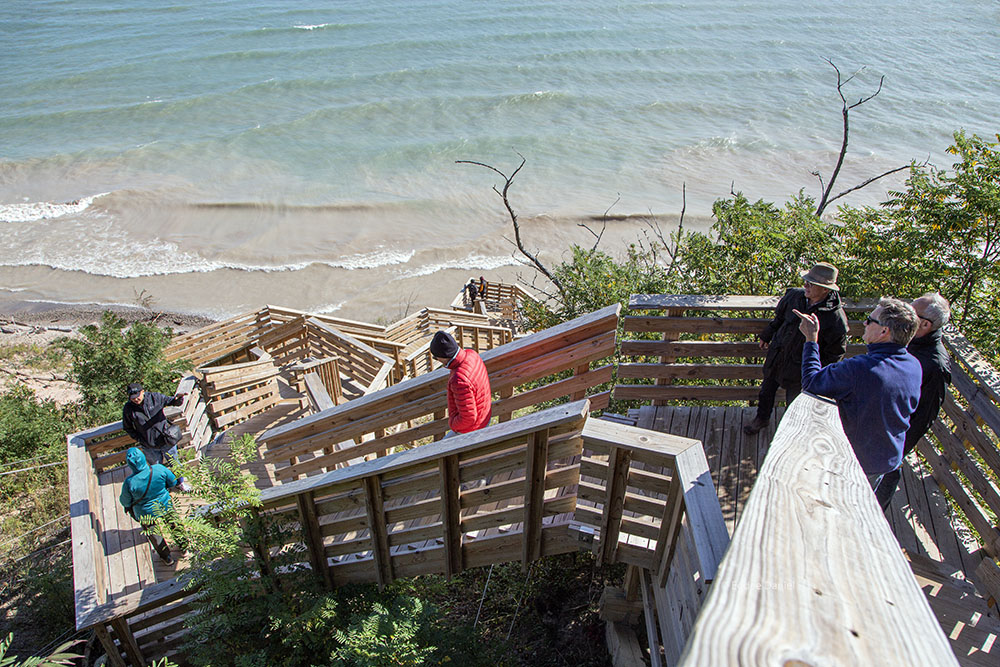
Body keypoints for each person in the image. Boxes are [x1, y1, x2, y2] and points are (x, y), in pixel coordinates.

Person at [795, 297, 922, 489]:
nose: (865, 323)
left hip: (854, 461)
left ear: (883, 331)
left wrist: (811, 340)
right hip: (886, 458)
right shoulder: (913, 365)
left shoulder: (860, 369)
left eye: (870, 320)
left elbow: (812, 382)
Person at [744, 262, 849, 435]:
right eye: (806, 281)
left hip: (801, 369)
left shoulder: (836, 318)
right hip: (778, 356)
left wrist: (818, 374)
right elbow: (779, 319)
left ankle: (790, 433)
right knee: (766, 392)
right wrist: (767, 335)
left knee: (795, 403)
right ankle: (761, 419)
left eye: (812, 283)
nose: (806, 285)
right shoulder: (794, 296)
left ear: (825, 289)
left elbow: (835, 353)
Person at [875, 293, 952, 510]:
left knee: (883, 483)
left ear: (925, 324)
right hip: (878, 427)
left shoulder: (934, 366)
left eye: (911, 312)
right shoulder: (911, 341)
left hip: (891, 439)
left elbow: (924, 417)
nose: (905, 314)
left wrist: (897, 448)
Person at [119, 446, 184, 565]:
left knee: (154, 534)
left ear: (130, 464)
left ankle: (167, 558)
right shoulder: (158, 469)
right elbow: (173, 482)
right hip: (164, 504)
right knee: (174, 524)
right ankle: (184, 547)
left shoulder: (129, 483)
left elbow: (125, 502)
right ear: (143, 458)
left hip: (145, 512)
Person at [122, 382, 191, 491]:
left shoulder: (155, 398)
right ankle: (164, 488)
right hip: (149, 445)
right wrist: (141, 439)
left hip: (166, 440)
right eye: (132, 398)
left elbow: (173, 401)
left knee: (175, 463)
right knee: (156, 468)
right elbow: (128, 427)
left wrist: (179, 398)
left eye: (137, 396)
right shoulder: (128, 408)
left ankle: (180, 483)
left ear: (143, 392)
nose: (135, 399)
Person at [429, 330, 492, 434]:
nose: (436, 359)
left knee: (444, 449)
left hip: (472, 429)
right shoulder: (472, 354)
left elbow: (468, 418)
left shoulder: (459, 380)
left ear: (443, 356)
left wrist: (452, 424)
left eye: (435, 357)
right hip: (484, 415)